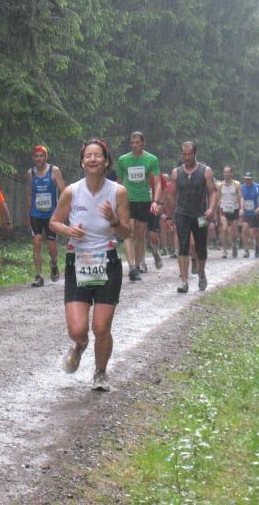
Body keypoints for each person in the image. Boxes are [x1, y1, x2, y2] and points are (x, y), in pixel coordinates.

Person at [49, 138, 131, 391]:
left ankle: (100, 373)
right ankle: (79, 345)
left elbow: (126, 232)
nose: (93, 159)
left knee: (101, 327)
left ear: (106, 161)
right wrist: (68, 230)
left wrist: (114, 220)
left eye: (98, 155)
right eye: (88, 156)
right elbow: (54, 222)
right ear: (82, 162)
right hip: (78, 262)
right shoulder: (72, 191)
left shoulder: (118, 192)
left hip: (107, 262)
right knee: (78, 330)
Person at [166, 141, 218, 293]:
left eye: (190, 154)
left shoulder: (205, 171)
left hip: (201, 215)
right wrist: (170, 215)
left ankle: (201, 273)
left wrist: (211, 208)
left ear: (195, 154)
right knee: (183, 246)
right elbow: (171, 195)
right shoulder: (176, 173)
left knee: (201, 247)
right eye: (184, 155)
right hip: (182, 213)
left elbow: (213, 192)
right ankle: (184, 281)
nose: (187, 158)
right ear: (181, 155)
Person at [115, 132, 163, 280]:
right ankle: (131, 267)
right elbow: (118, 183)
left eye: (137, 142)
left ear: (143, 143)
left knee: (140, 234)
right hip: (127, 201)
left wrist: (155, 201)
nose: (134, 145)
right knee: (128, 233)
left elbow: (158, 183)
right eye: (132, 142)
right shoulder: (123, 160)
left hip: (144, 200)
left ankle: (137, 266)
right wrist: (116, 201)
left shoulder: (151, 159)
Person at [27, 145, 66, 287]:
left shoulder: (54, 171)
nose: (38, 159)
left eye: (41, 156)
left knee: (52, 248)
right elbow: (29, 193)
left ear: (46, 157)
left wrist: (62, 211)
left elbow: (64, 190)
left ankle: (54, 263)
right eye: (36, 156)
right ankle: (39, 276)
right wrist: (28, 213)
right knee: (37, 242)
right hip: (35, 214)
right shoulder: (30, 173)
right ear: (33, 158)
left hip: (51, 215)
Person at [216, 166, 243, 258]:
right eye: (225, 172)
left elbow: (240, 197)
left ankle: (234, 244)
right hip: (223, 210)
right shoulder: (220, 185)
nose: (226, 174)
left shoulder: (237, 184)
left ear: (231, 173)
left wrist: (241, 208)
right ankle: (224, 250)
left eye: (228, 172)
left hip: (234, 209)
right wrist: (215, 211)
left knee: (234, 232)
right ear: (223, 173)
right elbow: (217, 198)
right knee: (224, 229)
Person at [240, 172, 259, 258]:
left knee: (255, 232)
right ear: (244, 179)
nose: (248, 180)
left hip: (255, 213)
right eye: (246, 179)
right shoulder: (242, 187)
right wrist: (241, 208)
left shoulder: (257, 187)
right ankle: (246, 250)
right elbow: (241, 198)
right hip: (246, 212)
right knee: (244, 229)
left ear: (252, 179)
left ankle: (257, 247)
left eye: (249, 179)